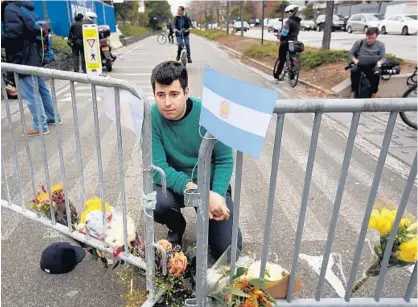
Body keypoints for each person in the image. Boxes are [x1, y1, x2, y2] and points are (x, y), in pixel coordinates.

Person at [150, 61, 242, 260]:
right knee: (157, 203)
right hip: (178, 188)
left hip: (209, 185)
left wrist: (216, 195)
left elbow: (225, 159)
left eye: (174, 94)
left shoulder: (209, 113)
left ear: (186, 92)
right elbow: (159, 168)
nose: (167, 102)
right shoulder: (151, 117)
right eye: (161, 95)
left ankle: (210, 225)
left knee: (228, 251)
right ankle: (177, 226)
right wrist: (199, 193)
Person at [2, 1, 61, 136]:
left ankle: (40, 125)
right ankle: (52, 117)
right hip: (33, 55)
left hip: (23, 57)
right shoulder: (22, 8)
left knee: (30, 93)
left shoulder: (9, 10)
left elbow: (13, 37)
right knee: (41, 89)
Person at [348, 27, 386, 98]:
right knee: (354, 71)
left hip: (373, 65)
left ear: (376, 37)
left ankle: (374, 93)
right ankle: (353, 90)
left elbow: (383, 57)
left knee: (376, 74)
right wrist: (355, 60)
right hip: (360, 63)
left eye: (373, 38)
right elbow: (350, 54)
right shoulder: (359, 43)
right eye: (369, 38)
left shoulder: (380, 45)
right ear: (366, 36)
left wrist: (380, 62)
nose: (370, 40)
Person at [273, 5, 301, 81]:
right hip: (295, 42)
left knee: (282, 59)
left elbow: (284, 32)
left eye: (288, 12)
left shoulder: (289, 22)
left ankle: (277, 75)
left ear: (292, 12)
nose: (287, 14)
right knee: (292, 56)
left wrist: (280, 37)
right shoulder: (298, 22)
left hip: (286, 42)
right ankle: (292, 75)